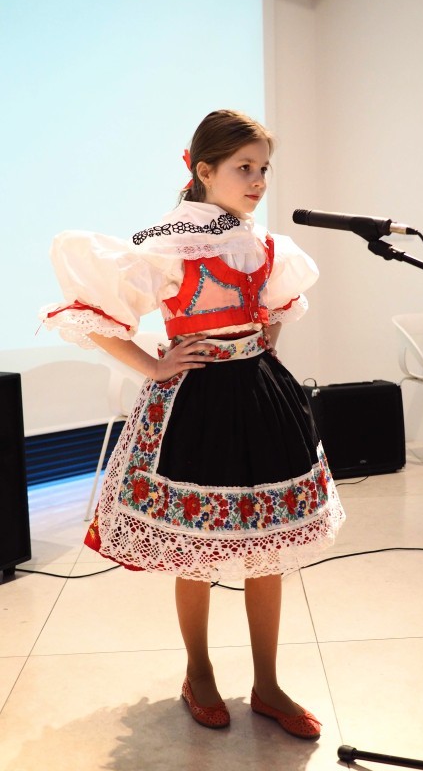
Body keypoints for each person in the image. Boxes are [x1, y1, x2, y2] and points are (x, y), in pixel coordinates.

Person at [40, 110, 345, 740]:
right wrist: (155, 365)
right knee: (196, 547)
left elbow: (276, 307)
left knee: (269, 545)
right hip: (196, 401)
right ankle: (198, 672)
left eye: (263, 169)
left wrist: (261, 345)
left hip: (260, 395)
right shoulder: (167, 243)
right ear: (204, 170)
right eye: (244, 168)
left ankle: (267, 684)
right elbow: (96, 315)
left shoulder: (262, 243)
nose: (258, 181)